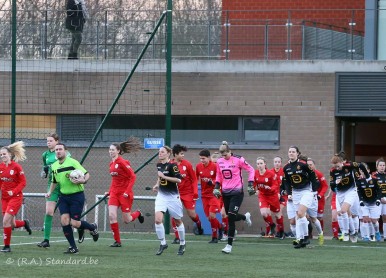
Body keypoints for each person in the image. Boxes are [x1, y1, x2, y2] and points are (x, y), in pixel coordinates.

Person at [46, 143, 98, 254]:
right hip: (63, 197)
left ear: (65, 151)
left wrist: (83, 180)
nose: (58, 151)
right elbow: (54, 181)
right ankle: (73, 247)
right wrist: (50, 192)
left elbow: (87, 174)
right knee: (64, 221)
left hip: (76, 196)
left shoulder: (73, 162)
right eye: (56, 150)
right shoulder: (54, 166)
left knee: (75, 223)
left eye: (60, 149)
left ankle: (92, 227)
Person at [213, 141, 254, 254]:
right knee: (228, 215)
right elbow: (219, 175)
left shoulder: (238, 159)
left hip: (237, 192)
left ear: (230, 151)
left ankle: (229, 246)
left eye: (225, 154)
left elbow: (251, 170)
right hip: (225, 192)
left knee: (230, 217)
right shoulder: (220, 161)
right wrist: (217, 187)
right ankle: (245, 217)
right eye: (222, 155)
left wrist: (250, 184)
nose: (224, 157)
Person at [106, 137, 144, 247]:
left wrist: (127, 191)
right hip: (114, 193)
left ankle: (138, 213)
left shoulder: (122, 162)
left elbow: (133, 176)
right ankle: (117, 241)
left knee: (127, 219)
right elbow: (114, 180)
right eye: (110, 149)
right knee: (112, 215)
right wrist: (109, 192)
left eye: (113, 149)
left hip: (124, 194)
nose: (111, 151)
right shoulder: (111, 164)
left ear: (118, 151)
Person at [282, 146, 320, 249]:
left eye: (293, 152)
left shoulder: (303, 164)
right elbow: (286, 182)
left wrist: (314, 189)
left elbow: (313, 176)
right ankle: (302, 239)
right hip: (295, 192)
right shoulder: (286, 167)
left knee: (300, 213)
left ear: (297, 153)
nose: (291, 153)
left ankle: (306, 237)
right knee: (299, 217)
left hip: (306, 191)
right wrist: (289, 193)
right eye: (289, 152)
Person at [38, 133, 72, 248]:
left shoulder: (63, 153)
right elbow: (45, 170)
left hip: (64, 186)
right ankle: (46, 240)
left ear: (57, 141)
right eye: (47, 141)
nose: (48, 143)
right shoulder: (45, 155)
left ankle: (81, 228)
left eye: (51, 140)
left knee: (69, 216)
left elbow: (68, 165)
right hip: (52, 186)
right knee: (49, 212)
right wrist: (44, 172)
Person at [330, 154, 370, 243]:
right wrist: (335, 183)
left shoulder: (349, 166)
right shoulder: (333, 171)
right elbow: (332, 187)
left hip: (351, 191)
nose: (337, 168)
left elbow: (361, 165)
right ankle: (352, 232)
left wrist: (368, 177)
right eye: (335, 166)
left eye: (338, 166)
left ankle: (346, 232)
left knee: (343, 210)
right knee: (342, 213)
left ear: (342, 162)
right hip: (340, 193)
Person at [153, 146, 186, 256]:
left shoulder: (173, 165)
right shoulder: (159, 165)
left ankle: (182, 243)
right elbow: (160, 177)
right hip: (161, 196)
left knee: (177, 221)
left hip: (173, 197)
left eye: (162, 152)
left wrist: (165, 177)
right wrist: (157, 185)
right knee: (158, 220)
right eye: (159, 152)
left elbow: (179, 179)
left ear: (168, 154)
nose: (160, 153)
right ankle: (163, 243)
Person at [0, 141, 32, 252]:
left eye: (4, 154)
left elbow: (23, 182)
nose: (2, 156)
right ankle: (24, 223)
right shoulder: (1, 167)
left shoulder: (17, 167)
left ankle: (7, 247)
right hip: (4, 199)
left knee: (5, 221)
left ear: (10, 154)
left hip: (15, 197)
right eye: (1, 154)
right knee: (11, 224)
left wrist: (13, 192)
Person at [170, 144, 203, 244]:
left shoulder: (187, 164)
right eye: (181, 154)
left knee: (192, 215)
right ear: (175, 154)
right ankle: (177, 237)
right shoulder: (170, 164)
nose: (183, 155)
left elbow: (194, 179)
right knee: (174, 215)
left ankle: (198, 224)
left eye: (183, 153)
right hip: (175, 194)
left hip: (187, 193)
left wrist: (195, 192)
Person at [253, 157, 284, 239]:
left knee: (278, 215)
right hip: (263, 196)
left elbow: (275, 185)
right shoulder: (255, 173)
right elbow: (253, 183)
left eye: (261, 163)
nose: (259, 165)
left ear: (265, 164)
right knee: (263, 213)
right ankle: (272, 225)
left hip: (272, 196)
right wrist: (254, 190)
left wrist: (270, 188)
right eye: (258, 164)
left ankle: (281, 231)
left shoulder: (271, 174)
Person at [196, 149, 222, 243]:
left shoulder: (215, 166)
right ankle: (221, 227)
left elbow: (220, 179)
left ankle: (214, 237)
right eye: (200, 159)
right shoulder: (199, 167)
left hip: (214, 194)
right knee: (209, 218)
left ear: (208, 157)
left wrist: (213, 182)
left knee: (212, 215)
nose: (201, 160)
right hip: (204, 195)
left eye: (203, 158)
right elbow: (195, 178)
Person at [356, 163, 382, 242]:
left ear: (368, 170)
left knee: (374, 221)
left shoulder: (374, 179)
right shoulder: (359, 181)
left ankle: (377, 232)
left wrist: (378, 199)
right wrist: (360, 200)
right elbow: (359, 191)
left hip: (374, 202)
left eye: (364, 170)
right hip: (365, 203)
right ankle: (366, 237)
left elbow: (379, 190)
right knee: (365, 219)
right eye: (361, 171)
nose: (363, 172)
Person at [306, 158, 328, 245]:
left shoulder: (318, 174)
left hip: (318, 198)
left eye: (311, 164)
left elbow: (325, 186)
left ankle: (320, 234)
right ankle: (307, 234)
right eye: (308, 165)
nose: (309, 166)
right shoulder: (304, 174)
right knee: (304, 217)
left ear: (314, 165)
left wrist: (320, 195)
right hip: (306, 198)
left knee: (318, 218)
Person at [212, 151, 229, 241]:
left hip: (227, 194)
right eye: (213, 162)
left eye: (216, 163)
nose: (214, 165)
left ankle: (226, 233)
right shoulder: (212, 173)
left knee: (224, 213)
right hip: (218, 196)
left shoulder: (224, 171)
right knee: (224, 215)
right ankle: (228, 231)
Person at [371, 158, 386, 241]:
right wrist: (379, 199)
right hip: (376, 199)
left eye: (384, 165)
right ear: (377, 166)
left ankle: (385, 236)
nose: (382, 167)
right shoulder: (373, 176)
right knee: (375, 219)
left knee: (385, 218)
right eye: (380, 165)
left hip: (385, 199)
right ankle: (374, 235)